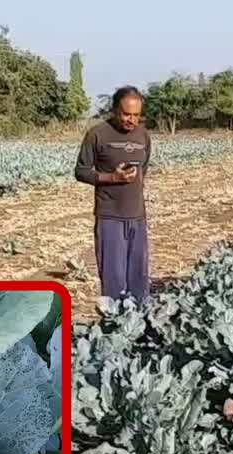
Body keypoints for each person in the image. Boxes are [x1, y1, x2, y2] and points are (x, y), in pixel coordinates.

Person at [74, 85, 153, 303]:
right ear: (115, 110)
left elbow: (143, 170)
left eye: (136, 115)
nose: (131, 120)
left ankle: (139, 325)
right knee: (113, 279)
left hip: (137, 215)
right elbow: (81, 171)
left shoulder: (143, 136)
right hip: (110, 217)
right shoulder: (97, 134)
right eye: (126, 114)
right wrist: (112, 178)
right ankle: (114, 326)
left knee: (139, 279)